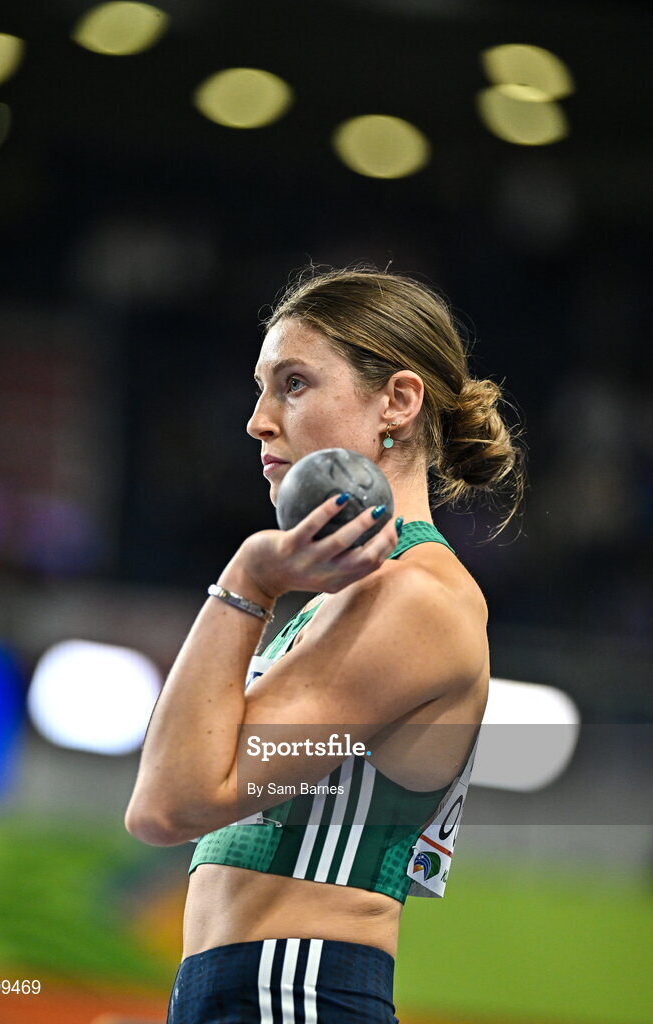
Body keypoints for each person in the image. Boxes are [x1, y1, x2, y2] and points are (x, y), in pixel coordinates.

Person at [125, 266, 525, 1023]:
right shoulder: (339, 602)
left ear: (397, 402)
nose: (258, 420)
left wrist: (245, 575)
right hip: (252, 989)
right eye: (260, 386)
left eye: (294, 384)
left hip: (292, 990)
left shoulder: (414, 601)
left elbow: (170, 804)